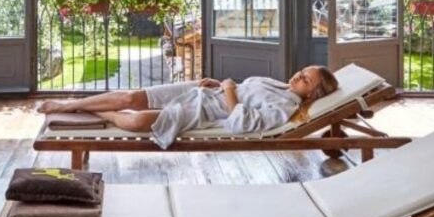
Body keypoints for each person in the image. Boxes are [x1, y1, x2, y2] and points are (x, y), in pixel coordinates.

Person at [38, 65, 339, 149]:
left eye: (306, 80)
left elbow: (241, 123)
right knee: (131, 98)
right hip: (201, 92)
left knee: (136, 121)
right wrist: (220, 84)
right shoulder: (277, 84)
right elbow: (238, 91)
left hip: (203, 111)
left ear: (311, 95)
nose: (299, 76)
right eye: (303, 72)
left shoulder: (284, 105)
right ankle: (71, 104)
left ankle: (87, 110)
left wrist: (229, 90)